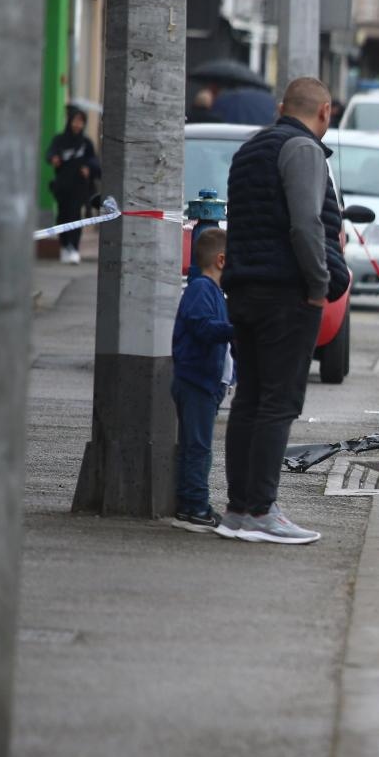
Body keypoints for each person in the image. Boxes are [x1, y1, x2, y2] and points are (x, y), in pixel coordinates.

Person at [218, 76, 349, 544]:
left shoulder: (249, 151)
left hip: (246, 290)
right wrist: (318, 286)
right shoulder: (302, 149)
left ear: (280, 107)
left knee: (250, 398)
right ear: (325, 112)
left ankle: (238, 508)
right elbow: (307, 223)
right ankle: (262, 511)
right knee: (279, 402)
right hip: (288, 295)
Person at [170, 227, 235, 533]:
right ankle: (195, 506)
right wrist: (235, 328)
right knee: (198, 448)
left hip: (204, 384)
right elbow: (202, 327)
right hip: (196, 382)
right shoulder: (201, 290)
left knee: (193, 446)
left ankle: (189, 503)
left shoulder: (213, 292)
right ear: (221, 260)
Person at [45, 106, 101, 263]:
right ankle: (64, 246)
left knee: (75, 216)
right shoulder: (60, 140)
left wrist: (88, 168)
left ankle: (74, 248)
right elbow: (50, 154)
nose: (77, 125)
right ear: (70, 122)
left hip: (80, 187)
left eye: (81, 122)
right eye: (75, 121)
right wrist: (54, 159)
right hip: (62, 186)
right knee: (63, 216)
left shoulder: (86, 143)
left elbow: (95, 162)